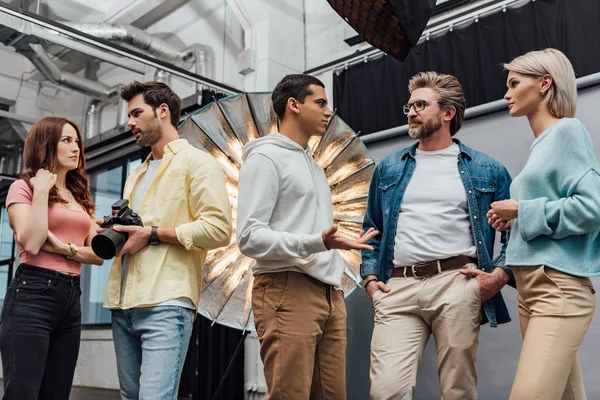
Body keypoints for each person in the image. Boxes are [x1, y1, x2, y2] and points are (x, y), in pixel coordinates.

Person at [362, 71, 514, 400]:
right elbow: (372, 228)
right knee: (387, 390)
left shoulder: (487, 169)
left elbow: (516, 233)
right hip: (398, 287)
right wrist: (371, 280)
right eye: (409, 106)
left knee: (458, 391)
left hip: (457, 283)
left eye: (420, 105)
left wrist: (499, 276)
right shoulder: (388, 167)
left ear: (448, 113)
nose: (411, 112)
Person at [237, 73, 377, 399]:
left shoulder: (314, 166)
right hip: (287, 289)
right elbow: (249, 237)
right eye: (321, 102)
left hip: (330, 294)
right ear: (294, 105)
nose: (329, 111)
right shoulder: (264, 158)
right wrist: (317, 242)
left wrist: (331, 250)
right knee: (290, 395)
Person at [102, 81, 232, 400]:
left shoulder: (198, 163)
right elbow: (134, 232)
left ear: (162, 112)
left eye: (136, 113)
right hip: (122, 304)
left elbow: (219, 229)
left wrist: (154, 234)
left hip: (166, 304)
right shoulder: (136, 175)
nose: (129, 123)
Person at [489, 48, 600, 400]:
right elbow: (549, 210)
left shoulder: (567, 132)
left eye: (514, 83)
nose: (506, 93)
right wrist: (514, 221)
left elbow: (592, 208)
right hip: (531, 291)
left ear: (544, 83)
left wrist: (522, 211)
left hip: (558, 288)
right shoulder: (542, 145)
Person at [0, 116, 103, 399]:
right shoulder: (24, 189)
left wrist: (65, 249)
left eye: (77, 142)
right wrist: (43, 189)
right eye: (67, 141)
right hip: (32, 295)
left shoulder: (80, 197)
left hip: (71, 299)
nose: (76, 148)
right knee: (23, 392)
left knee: (56, 393)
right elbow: (31, 243)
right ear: (47, 145)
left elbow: (97, 254)